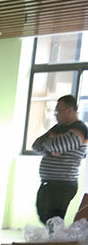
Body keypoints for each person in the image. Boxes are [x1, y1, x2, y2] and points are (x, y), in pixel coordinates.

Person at [32, 94, 88, 225]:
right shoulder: (57, 128)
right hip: (49, 182)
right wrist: (51, 148)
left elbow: (58, 145)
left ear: (69, 110)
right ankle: (52, 237)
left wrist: (50, 142)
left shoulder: (80, 129)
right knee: (44, 216)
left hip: (63, 184)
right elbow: (36, 145)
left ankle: (55, 238)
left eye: (58, 111)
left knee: (54, 220)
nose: (56, 115)